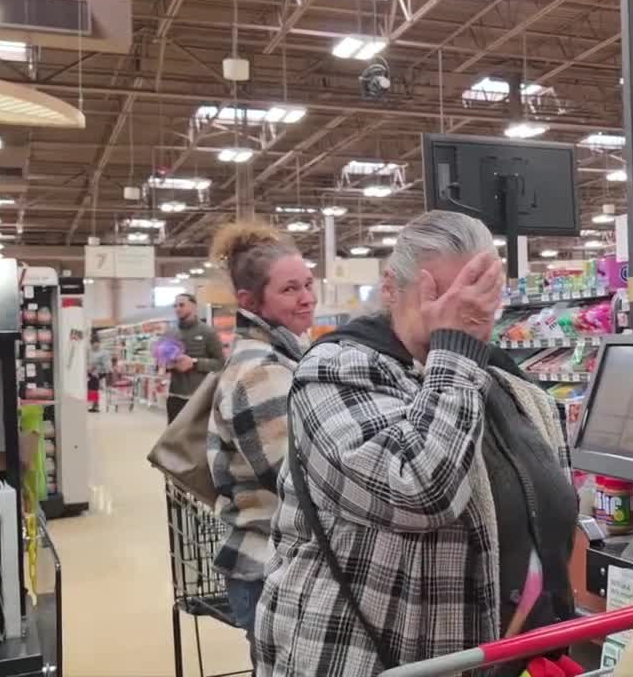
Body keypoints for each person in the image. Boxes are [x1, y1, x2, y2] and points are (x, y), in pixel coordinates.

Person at [256, 212, 579, 676]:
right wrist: (457, 352)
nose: (457, 313)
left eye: (475, 294)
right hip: (360, 658)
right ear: (392, 288)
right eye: (441, 295)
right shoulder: (333, 371)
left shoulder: (512, 387)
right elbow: (420, 492)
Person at [206, 223, 316, 661]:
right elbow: (297, 476)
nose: (306, 297)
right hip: (268, 568)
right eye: (290, 289)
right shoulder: (261, 372)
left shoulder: (285, 355)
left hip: (275, 564)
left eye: (308, 284)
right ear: (250, 302)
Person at [165, 292, 225, 423]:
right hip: (175, 396)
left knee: (197, 440)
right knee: (174, 439)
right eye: (174, 306)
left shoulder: (208, 332)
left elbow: (221, 363)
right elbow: (163, 361)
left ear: (194, 307)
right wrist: (165, 364)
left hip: (200, 397)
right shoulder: (170, 332)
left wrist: (194, 362)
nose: (177, 309)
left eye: (181, 305)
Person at [87, 333, 111, 413]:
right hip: (92, 372)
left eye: (96, 343)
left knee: (93, 385)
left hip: (100, 372)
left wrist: (96, 368)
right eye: (93, 344)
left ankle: (95, 406)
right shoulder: (91, 352)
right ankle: (94, 404)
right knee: (92, 387)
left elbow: (107, 367)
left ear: (99, 343)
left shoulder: (104, 352)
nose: (95, 345)